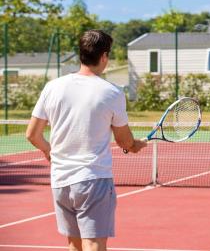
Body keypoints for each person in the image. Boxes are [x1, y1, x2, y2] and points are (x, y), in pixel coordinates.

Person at [26, 30, 147, 251]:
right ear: (104, 56)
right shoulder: (112, 93)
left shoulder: (52, 87)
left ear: (81, 54)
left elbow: (32, 135)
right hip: (93, 179)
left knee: (74, 244)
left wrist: (49, 152)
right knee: (94, 244)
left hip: (60, 181)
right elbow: (124, 140)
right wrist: (134, 145)